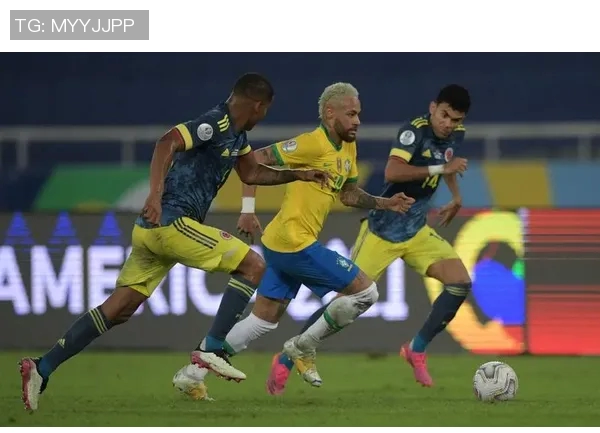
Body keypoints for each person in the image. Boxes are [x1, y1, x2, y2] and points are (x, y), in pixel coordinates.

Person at [19, 72, 330, 412]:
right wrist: (155, 195)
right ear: (257, 105)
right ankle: (211, 348)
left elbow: (252, 173)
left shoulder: (237, 135)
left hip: (151, 231)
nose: (264, 116)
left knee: (119, 308)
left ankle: (42, 367)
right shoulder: (214, 123)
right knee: (253, 265)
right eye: (266, 109)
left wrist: (299, 174)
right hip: (171, 222)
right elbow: (166, 143)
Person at [172, 82, 415, 400]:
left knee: (262, 321)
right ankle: (304, 347)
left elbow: (348, 194)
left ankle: (192, 374)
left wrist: (386, 203)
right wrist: (248, 209)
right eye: (351, 114)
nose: (357, 120)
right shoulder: (310, 144)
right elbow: (253, 160)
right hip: (293, 242)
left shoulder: (347, 147)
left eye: (359, 114)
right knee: (366, 292)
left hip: (281, 241)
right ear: (330, 113)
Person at [267, 84, 472, 394]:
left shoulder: (455, 135)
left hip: (416, 231)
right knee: (344, 303)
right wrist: (442, 167)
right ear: (433, 108)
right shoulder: (413, 132)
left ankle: (416, 348)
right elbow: (393, 172)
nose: (448, 124)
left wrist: (455, 195)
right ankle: (285, 358)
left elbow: (447, 162)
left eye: (455, 120)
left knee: (459, 283)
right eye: (444, 115)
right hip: (381, 232)